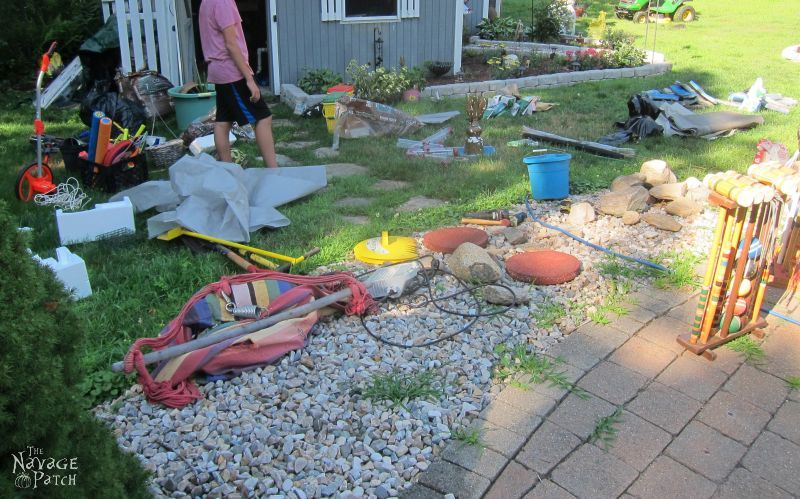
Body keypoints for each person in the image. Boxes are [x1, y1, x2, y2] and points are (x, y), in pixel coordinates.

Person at [198, 0, 277, 167]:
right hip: (231, 71)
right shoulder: (223, 3)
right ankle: (273, 171)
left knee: (223, 122)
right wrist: (249, 79)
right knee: (263, 117)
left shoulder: (207, 2)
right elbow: (231, 45)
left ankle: (228, 172)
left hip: (218, 69)